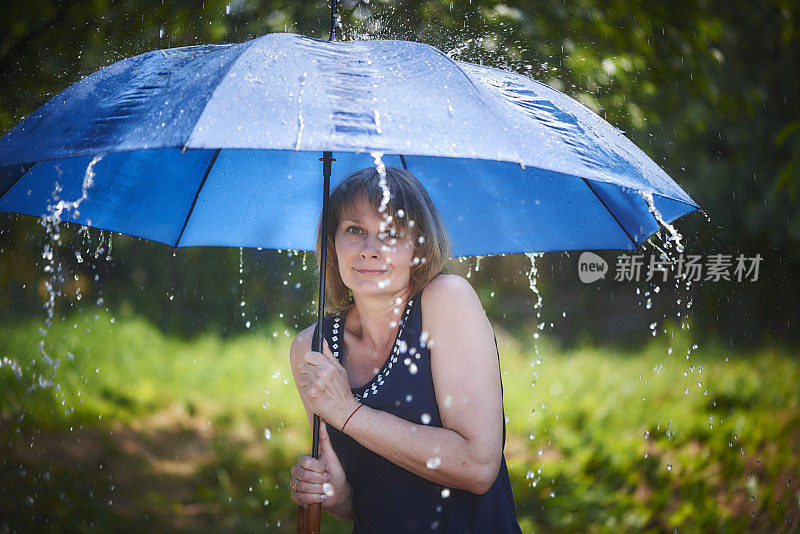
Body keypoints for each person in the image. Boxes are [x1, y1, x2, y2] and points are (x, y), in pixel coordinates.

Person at [289, 166, 521, 533]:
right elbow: (367, 501)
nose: (370, 250)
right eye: (354, 230)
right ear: (332, 241)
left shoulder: (446, 301)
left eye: (391, 234)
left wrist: (349, 413)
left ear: (420, 247)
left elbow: (477, 467)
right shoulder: (313, 348)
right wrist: (337, 495)